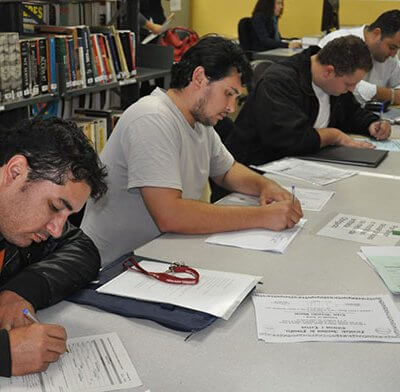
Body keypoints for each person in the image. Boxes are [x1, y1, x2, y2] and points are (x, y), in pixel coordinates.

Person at [81, 36, 303, 266]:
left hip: (156, 256)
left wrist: (265, 186)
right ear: (199, 78)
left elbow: (227, 171)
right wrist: (263, 217)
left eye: (236, 98)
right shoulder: (151, 118)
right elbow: (171, 215)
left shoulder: (200, 122)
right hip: (114, 267)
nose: (231, 108)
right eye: (228, 93)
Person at [0, 117, 107, 376]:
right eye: (54, 207)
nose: (56, 229)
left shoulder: (17, 223)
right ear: (15, 172)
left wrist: (18, 292)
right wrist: (5, 355)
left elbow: (81, 248)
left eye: (67, 216)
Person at [225, 36, 391, 166]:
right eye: (349, 84)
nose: (352, 89)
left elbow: (351, 112)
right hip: (256, 170)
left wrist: (372, 124)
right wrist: (334, 136)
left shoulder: (333, 84)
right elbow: (290, 138)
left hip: (302, 165)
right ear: (329, 72)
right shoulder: (279, 82)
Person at [318, 10, 400, 105]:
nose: (394, 54)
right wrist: (390, 95)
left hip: (369, 116)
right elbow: (343, 83)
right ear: (377, 33)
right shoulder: (340, 42)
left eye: (397, 48)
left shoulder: (390, 58)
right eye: (392, 47)